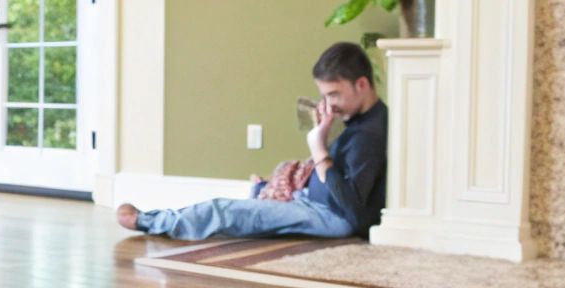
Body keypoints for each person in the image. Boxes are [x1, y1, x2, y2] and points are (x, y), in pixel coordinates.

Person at [118, 41, 388, 240]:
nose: (328, 103)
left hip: (330, 216)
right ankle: (261, 194)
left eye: (334, 94)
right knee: (268, 186)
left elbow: (355, 215)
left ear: (361, 85)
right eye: (325, 95)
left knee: (225, 211)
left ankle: (149, 221)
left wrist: (319, 149)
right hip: (311, 201)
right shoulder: (362, 121)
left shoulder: (369, 136)